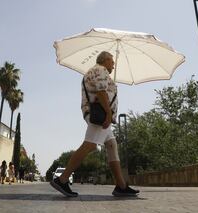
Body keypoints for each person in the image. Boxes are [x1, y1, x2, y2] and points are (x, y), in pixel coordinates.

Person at [50, 51, 139, 197]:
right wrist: (109, 114)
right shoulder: (100, 69)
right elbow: (101, 92)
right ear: (105, 60)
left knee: (111, 145)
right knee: (90, 145)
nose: (113, 65)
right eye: (112, 62)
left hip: (99, 114)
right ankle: (62, 179)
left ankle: (121, 186)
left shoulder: (97, 71)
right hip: (101, 115)